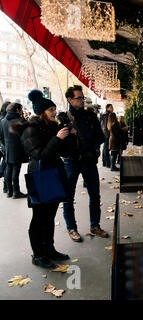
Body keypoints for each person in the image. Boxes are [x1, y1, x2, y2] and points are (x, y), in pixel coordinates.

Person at [16, 90, 74, 268]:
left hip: (54, 174)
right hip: (40, 175)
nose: (54, 112)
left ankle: (50, 249)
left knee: (50, 216)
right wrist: (57, 139)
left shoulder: (51, 127)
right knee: (39, 218)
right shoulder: (30, 128)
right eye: (51, 110)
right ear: (41, 112)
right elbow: (40, 155)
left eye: (54, 109)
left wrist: (68, 136)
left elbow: (63, 152)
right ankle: (38, 255)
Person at [62, 85, 107, 242]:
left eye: (83, 97)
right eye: (79, 98)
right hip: (71, 162)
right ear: (70, 99)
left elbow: (101, 137)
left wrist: (89, 146)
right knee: (68, 197)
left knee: (95, 194)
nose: (82, 100)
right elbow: (59, 143)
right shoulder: (63, 118)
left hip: (88, 161)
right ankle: (71, 228)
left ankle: (95, 226)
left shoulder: (91, 116)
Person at [0, 103, 28, 198]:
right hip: (18, 149)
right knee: (15, 171)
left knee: (9, 170)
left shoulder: (3, 121)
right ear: (17, 110)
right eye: (21, 109)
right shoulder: (20, 120)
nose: (22, 111)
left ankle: (9, 191)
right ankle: (16, 192)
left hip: (8, 148)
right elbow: (26, 135)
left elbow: (2, 137)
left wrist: (5, 145)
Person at [0, 102, 10, 192]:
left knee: (6, 164)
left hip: (3, 144)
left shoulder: (2, 117)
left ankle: (5, 187)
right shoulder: (4, 119)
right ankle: (6, 186)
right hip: (4, 145)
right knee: (7, 165)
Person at [100, 104, 113, 168]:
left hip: (105, 133)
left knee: (105, 148)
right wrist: (109, 133)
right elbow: (105, 126)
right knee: (106, 148)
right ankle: (107, 163)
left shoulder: (104, 114)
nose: (112, 108)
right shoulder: (107, 115)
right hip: (107, 134)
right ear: (107, 108)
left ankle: (104, 162)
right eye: (111, 107)